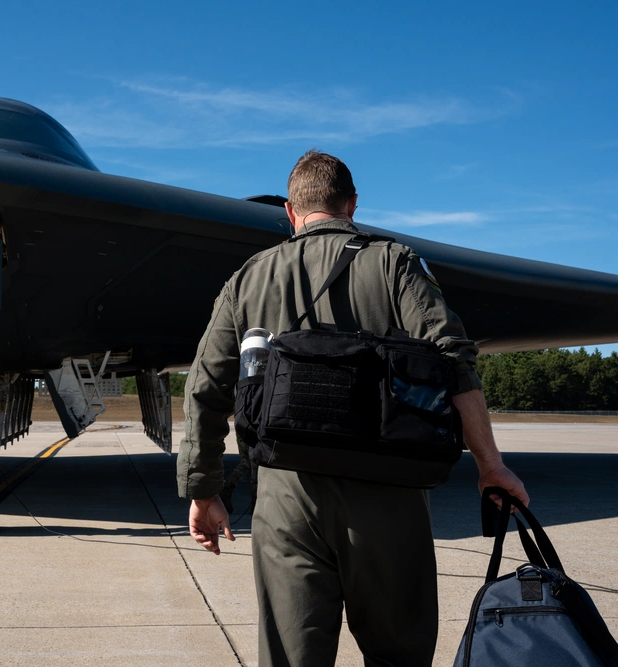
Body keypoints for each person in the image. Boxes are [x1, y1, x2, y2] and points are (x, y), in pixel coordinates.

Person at [176, 150, 529, 666]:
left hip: (285, 496)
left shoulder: (248, 278)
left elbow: (205, 386)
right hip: (387, 492)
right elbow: (455, 361)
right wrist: (490, 466)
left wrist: (202, 490)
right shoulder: (394, 263)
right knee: (398, 654)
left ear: (291, 212)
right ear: (352, 204)